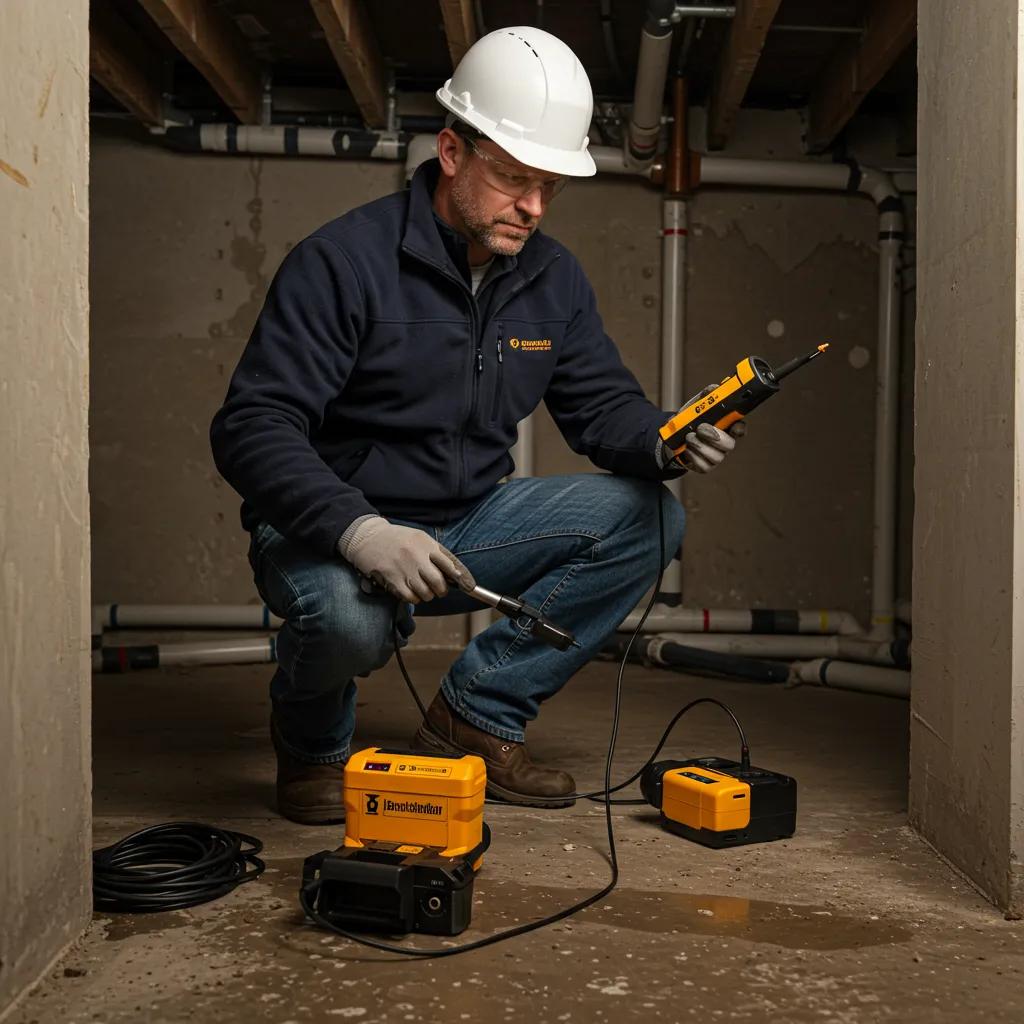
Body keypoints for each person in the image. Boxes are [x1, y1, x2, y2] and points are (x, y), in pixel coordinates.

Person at [210, 26, 741, 824]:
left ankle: (476, 716)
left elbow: (602, 409)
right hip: (332, 533)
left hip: (466, 526)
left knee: (647, 517)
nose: (532, 206)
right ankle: (314, 745)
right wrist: (359, 531)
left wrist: (666, 438)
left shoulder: (551, 279)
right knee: (349, 618)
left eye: (550, 186)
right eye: (513, 178)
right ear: (451, 151)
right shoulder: (342, 263)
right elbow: (253, 424)